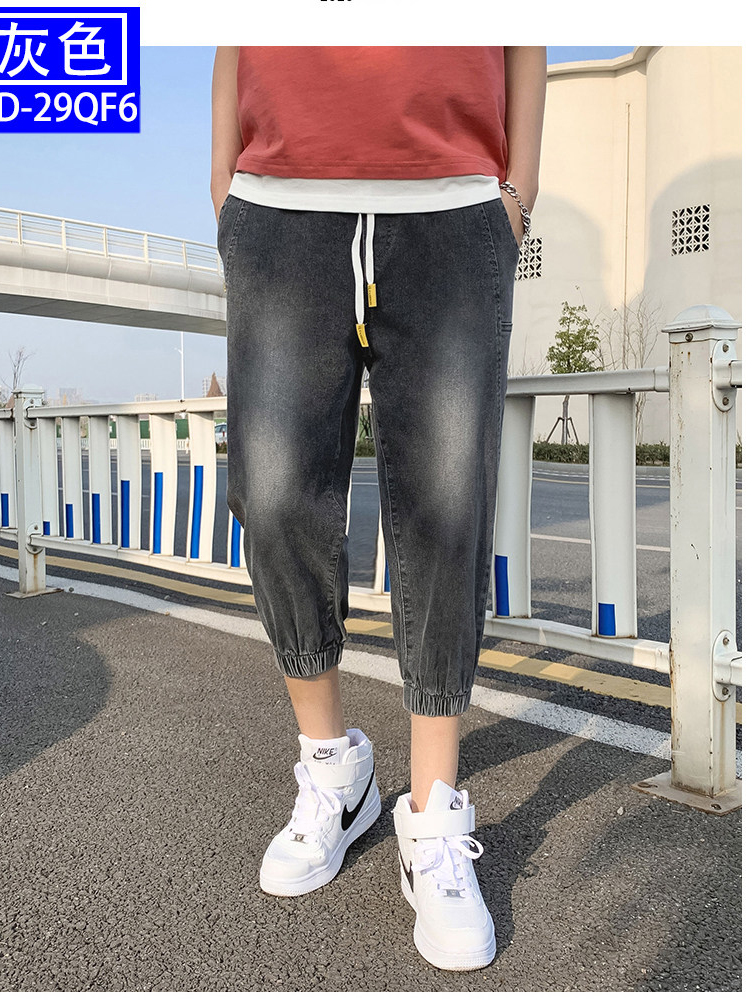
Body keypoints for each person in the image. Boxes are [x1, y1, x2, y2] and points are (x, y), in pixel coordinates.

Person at [211, 45, 546, 972]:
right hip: (280, 203)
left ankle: (432, 816)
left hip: (451, 203)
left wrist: (516, 193)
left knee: (447, 502)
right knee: (273, 493)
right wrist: (226, 191)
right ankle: (336, 769)